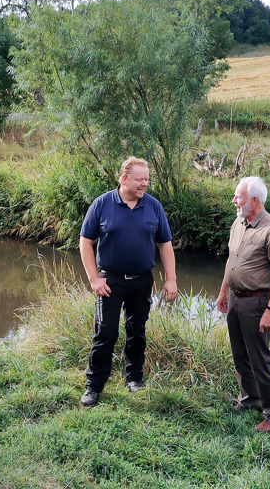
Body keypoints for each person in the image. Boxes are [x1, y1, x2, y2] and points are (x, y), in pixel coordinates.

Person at [78, 157, 178, 407]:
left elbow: (165, 244)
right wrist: (93, 279)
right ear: (124, 179)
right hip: (110, 280)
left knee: (137, 331)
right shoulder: (102, 204)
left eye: (147, 179)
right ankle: (94, 386)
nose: (145, 184)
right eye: (140, 179)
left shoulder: (154, 206)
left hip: (142, 280)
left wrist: (171, 279)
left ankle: (134, 378)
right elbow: (85, 243)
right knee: (106, 332)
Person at [216, 176, 270, 432]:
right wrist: (224, 291)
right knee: (240, 355)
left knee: (260, 360)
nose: (234, 201)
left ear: (254, 201)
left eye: (238, 197)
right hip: (236, 298)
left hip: (258, 302)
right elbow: (231, 260)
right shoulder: (238, 222)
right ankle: (248, 401)